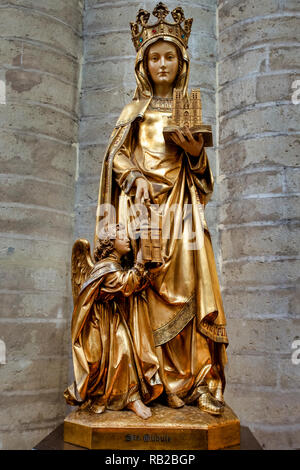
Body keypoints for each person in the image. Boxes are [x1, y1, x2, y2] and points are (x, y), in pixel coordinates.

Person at [95, 4, 228, 415]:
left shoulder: (188, 109)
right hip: (143, 214)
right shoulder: (132, 113)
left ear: (181, 61)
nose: (162, 63)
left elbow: (204, 180)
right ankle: (151, 383)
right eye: (155, 57)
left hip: (182, 212)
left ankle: (197, 382)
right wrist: (134, 176)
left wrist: (195, 154)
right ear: (143, 64)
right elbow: (115, 157)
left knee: (192, 289)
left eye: (170, 56)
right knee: (145, 296)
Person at [64, 225, 163, 419]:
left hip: (112, 318)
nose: (127, 240)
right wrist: (141, 261)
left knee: (123, 354)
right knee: (119, 356)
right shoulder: (105, 267)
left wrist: (149, 273)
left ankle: (131, 397)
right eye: (122, 237)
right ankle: (109, 398)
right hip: (100, 323)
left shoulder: (115, 265)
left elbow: (131, 285)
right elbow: (125, 284)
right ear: (111, 243)